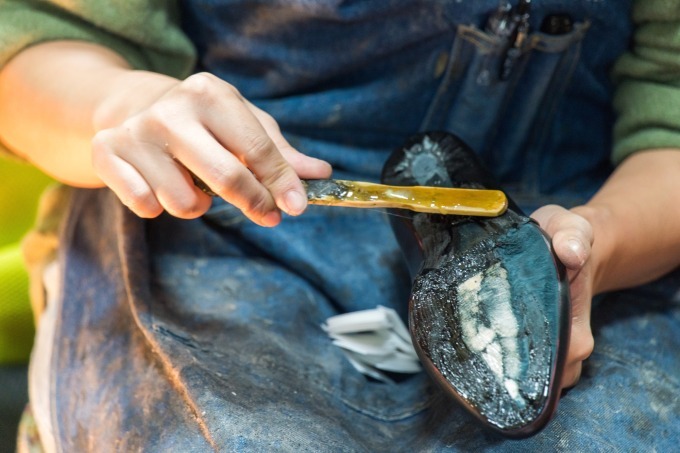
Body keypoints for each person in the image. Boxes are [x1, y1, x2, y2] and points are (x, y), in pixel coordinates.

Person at [0, 0, 679, 450]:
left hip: (583, 229)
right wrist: (122, 104)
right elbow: (34, 39)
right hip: (229, 222)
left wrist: (595, 241)